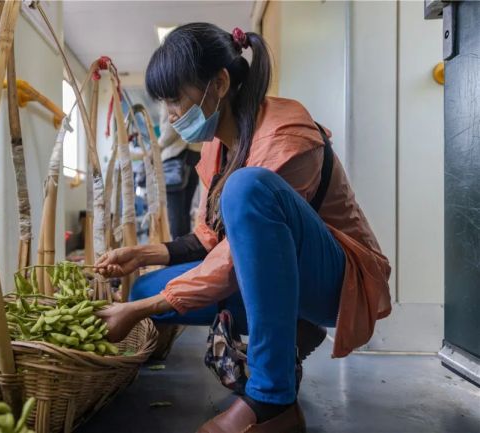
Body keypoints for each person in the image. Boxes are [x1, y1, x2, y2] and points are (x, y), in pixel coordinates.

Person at [95, 23, 391, 433]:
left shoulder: (286, 136)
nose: (171, 115)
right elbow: (209, 238)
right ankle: (285, 338)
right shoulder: (218, 146)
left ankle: (273, 401)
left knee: (244, 189)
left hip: (336, 283)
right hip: (271, 270)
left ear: (219, 83)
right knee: (146, 286)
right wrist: (141, 256)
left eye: (176, 99)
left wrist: (138, 311)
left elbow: (232, 259)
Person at [158, 102, 202, 239]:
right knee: (184, 212)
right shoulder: (189, 90)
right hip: (194, 153)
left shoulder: (170, 92)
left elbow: (173, 128)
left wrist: (157, 146)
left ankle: (178, 252)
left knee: (176, 212)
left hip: (178, 154)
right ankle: (183, 253)